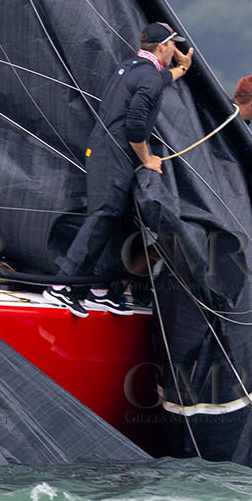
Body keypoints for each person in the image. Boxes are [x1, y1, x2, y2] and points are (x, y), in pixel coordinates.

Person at [53, 22, 193, 302]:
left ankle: (98, 288)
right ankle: (61, 285)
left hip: (104, 148)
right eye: (172, 45)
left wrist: (183, 68)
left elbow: (160, 79)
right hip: (113, 152)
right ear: (163, 46)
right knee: (103, 215)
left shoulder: (132, 66)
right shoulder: (149, 76)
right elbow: (136, 125)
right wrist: (147, 158)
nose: (174, 49)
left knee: (116, 217)